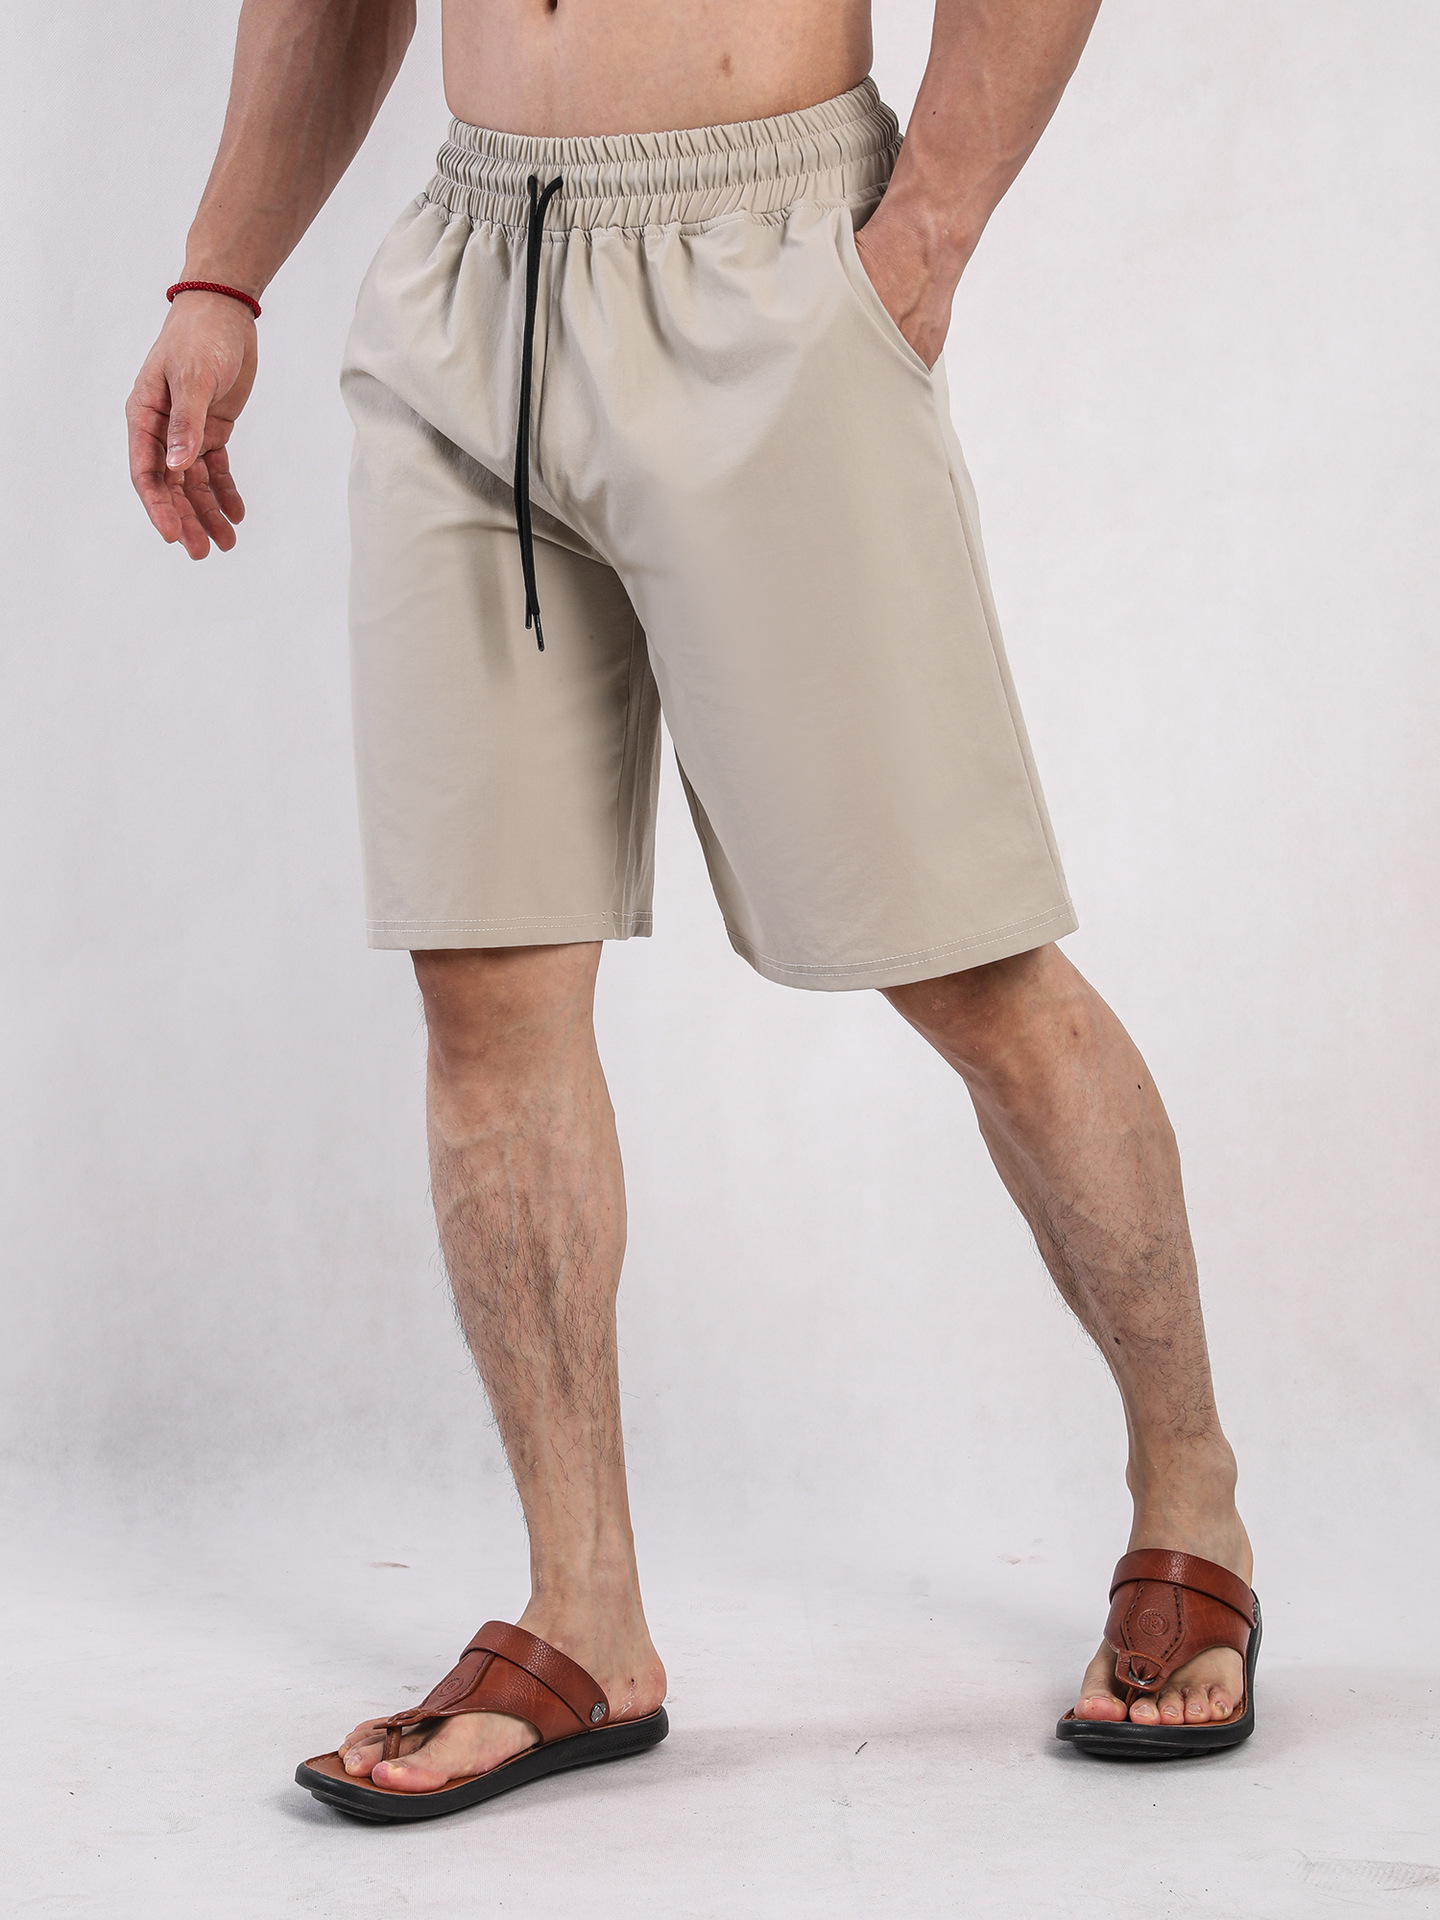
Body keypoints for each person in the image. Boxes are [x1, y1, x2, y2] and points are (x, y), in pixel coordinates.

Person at [126, 0, 1259, 1819]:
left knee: (966, 965)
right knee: (484, 980)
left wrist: (929, 230)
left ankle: (1189, 1499)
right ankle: (583, 1617)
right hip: (470, 285)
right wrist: (219, 276)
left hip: (770, 262)